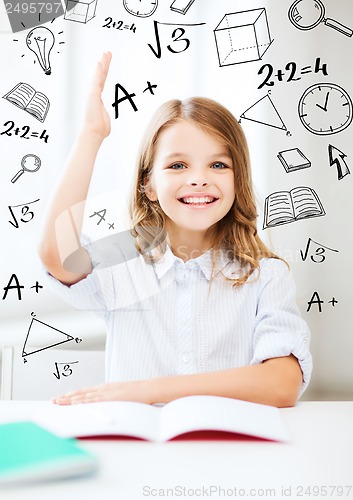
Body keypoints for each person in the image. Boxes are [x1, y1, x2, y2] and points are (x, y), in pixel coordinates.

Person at [39, 52, 312, 407]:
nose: (199, 179)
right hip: (139, 453)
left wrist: (149, 390)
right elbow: (56, 253)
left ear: (237, 180)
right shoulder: (123, 264)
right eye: (178, 165)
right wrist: (92, 135)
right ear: (148, 185)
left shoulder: (266, 277)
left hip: (233, 454)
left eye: (218, 164)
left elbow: (282, 384)